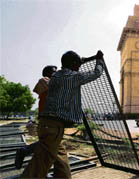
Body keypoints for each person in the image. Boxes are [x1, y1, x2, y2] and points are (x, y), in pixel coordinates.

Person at [20, 50, 104, 178]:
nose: (79, 67)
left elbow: (70, 66)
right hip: (53, 127)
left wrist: (83, 60)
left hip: (48, 126)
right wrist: (99, 60)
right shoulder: (74, 77)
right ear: (74, 64)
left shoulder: (55, 76)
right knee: (39, 166)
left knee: (62, 161)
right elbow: (97, 73)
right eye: (78, 64)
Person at [15, 65, 57, 169]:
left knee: (54, 146)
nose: (56, 74)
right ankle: (24, 151)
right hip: (47, 119)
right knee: (48, 144)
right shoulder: (44, 80)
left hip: (53, 119)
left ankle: (56, 172)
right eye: (54, 72)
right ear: (47, 73)